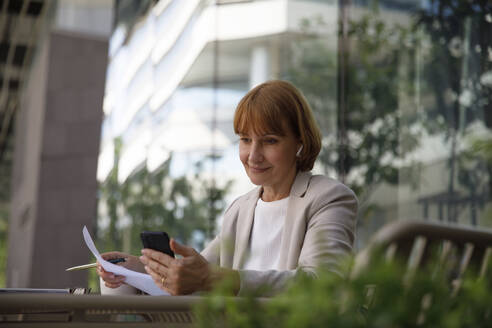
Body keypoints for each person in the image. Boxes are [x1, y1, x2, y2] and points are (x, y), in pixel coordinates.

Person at [98, 80, 358, 296]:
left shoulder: (329, 198)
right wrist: (135, 268)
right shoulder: (241, 209)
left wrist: (222, 280)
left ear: (299, 143)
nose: (253, 156)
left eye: (270, 141)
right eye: (245, 140)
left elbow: (323, 285)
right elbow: (199, 273)